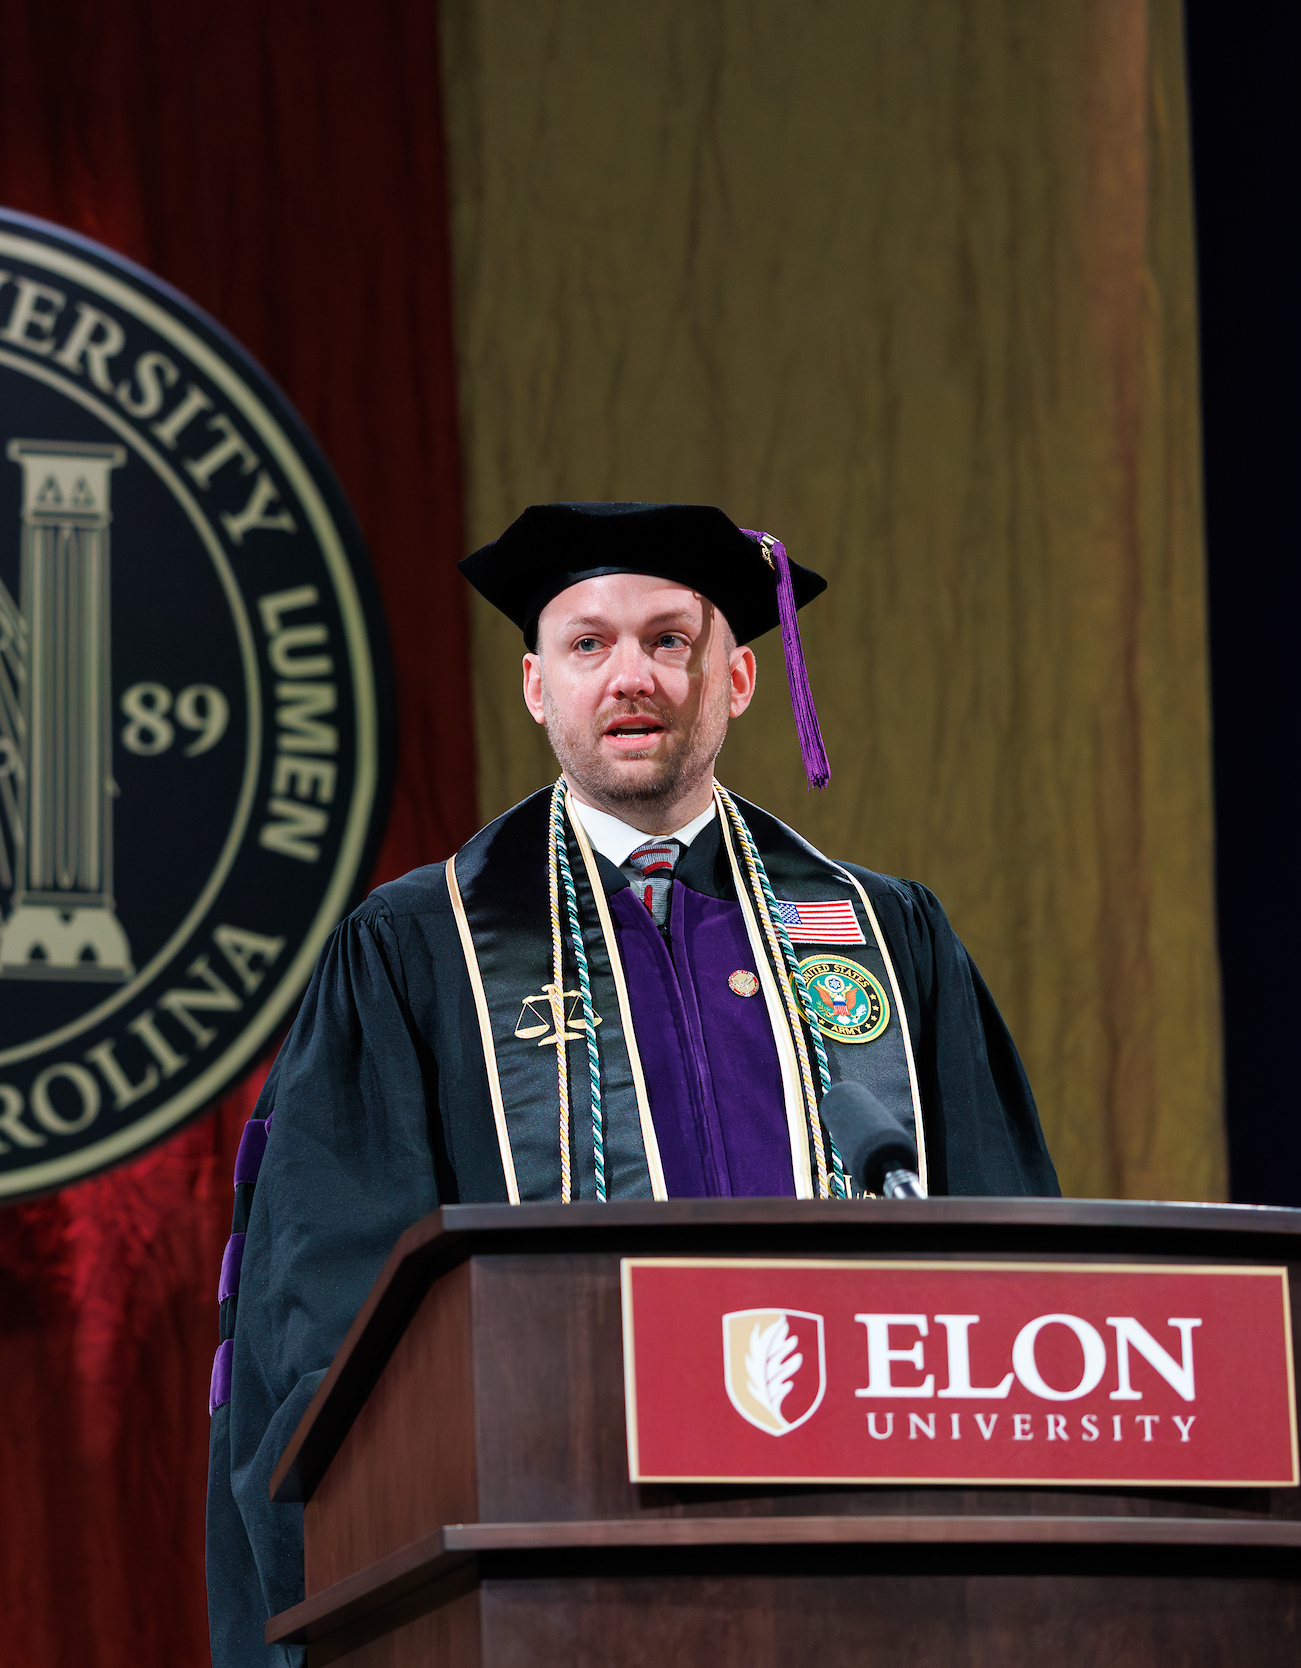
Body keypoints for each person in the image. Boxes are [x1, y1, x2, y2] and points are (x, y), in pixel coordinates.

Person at [205, 502, 1058, 1665]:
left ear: (740, 678)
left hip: (870, 1562)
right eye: (589, 644)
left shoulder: (881, 934)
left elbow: (1008, 1259)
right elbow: (331, 1320)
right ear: (534, 686)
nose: (632, 676)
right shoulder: (419, 951)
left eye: (671, 639)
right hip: (548, 1581)